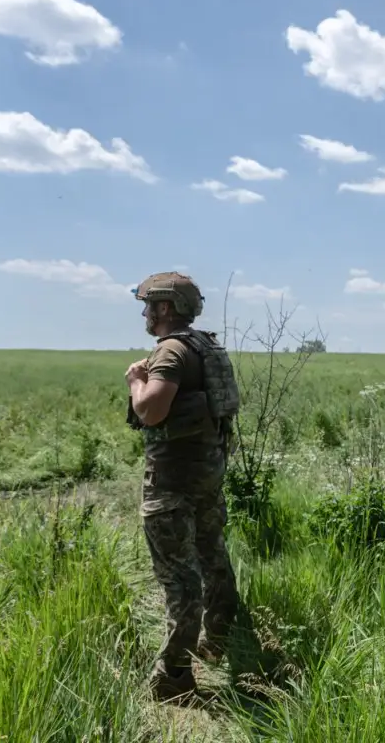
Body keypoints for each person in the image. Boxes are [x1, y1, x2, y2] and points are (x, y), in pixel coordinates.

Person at [126, 271, 241, 703]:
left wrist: (136, 381)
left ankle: (173, 678)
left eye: (148, 304)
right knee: (213, 558)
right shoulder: (205, 346)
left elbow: (152, 412)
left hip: (171, 485)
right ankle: (221, 641)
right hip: (206, 476)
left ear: (165, 307)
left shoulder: (171, 351)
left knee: (180, 582)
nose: (144, 312)